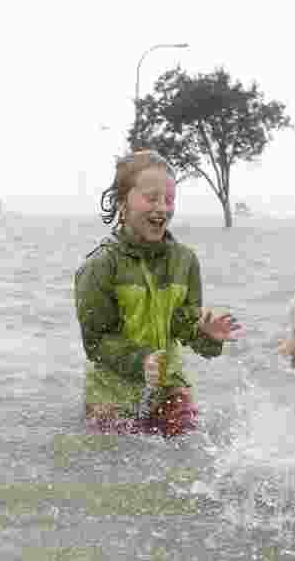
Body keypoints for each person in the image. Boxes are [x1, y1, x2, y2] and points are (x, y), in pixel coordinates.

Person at [74, 149, 243, 437]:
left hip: (170, 389)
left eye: (169, 200)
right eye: (151, 198)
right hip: (112, 395)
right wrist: (142, 362)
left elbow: (181, 325)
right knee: (119, 468)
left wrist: (205, 334)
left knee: (188, 455)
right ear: (121, 204)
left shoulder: (185, 261)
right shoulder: (100, 266)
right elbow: (96, 342)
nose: (162, 208)